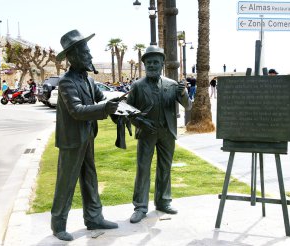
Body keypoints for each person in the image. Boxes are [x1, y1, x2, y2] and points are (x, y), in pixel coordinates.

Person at [51, 29, 119, 241]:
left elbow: (102, 99)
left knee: (90, 178)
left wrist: (121, 109)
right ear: (73, 56)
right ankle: (58, 224)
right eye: (86, 52)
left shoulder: (88, 80)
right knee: (66, 182)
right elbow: (77, 110)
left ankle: (94, 218)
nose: (90, 55)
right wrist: (104, 109)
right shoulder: (66, 82)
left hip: (87, 136)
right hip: (71, 140)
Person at [126, 45, 192, 224]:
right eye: (149, 62)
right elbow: (127, 110)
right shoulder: (137, 86)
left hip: (167, 133)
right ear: (145, 64)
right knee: (143, 169)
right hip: (147, 133)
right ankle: (140, 207)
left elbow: (188, 106)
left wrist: (184, 93)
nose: (152, 65)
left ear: (162, 63)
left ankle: (163, 201)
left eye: (156, 62)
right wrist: (140, 122)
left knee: (165, 168)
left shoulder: (172, 85)